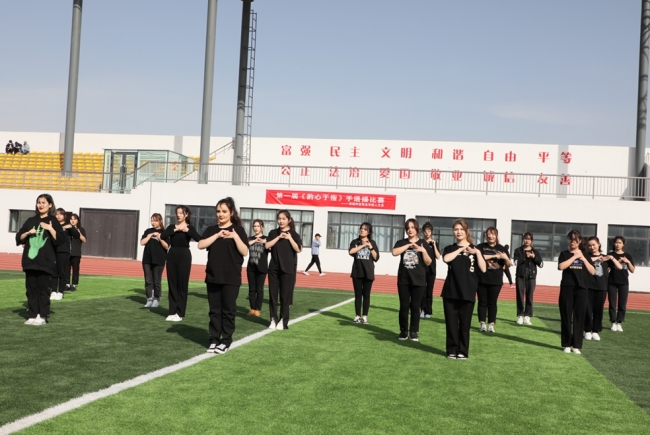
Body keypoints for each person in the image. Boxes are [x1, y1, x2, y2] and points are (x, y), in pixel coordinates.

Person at [198, 197, 249, 354]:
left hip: (231, 278)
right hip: (213, 276)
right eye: (218, 211)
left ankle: (226, 340)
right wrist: (217, 235)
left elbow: (245, 251)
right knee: (214, 311)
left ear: (231, 212)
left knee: (228, 311)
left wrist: (234, 236)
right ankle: (214, 339)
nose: (220, 214)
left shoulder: (238, 230)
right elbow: (200, 245)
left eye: (224, 211)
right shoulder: (211, 230)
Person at [16, 194, 64, 325]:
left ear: (50, 205)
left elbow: (60, 240)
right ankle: (32, 314)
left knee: (43, 289)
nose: (40, 205)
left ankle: (42, 316)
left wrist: (50, 228)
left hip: (45, 261)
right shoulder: (30, 220)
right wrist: (28, 233)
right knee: (31, 289)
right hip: (30, 261)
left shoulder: (53, 221)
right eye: (39, 202)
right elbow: (19, 237)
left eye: (43, 202)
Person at [441, 219, 486, 359]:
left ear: (466, 231)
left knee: (465, 325)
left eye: (461, 229)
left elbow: (483, 269)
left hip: (468, 291)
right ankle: (451, 350)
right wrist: (461, 249)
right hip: (451, 291)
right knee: (451, 324)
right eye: (456, 229)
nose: (459, 232)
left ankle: (463, 351)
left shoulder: (475, 249)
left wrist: (477, 253)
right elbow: (446, 259)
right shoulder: (450, 248)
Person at [391, 219, 433, 341]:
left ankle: (413, 331)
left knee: (415, 307)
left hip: (419, 280)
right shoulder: (401, 242)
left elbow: (428, 262)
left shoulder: (423, 243)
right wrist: (408, 246)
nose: (410, 230)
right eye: (408, 228)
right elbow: (394, 252)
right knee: (404, 306)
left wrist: (423, 250)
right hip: (404, 279)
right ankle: (403, 331)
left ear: (417, 229)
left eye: (412, 227)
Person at [160, 205, 201, 322]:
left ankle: (180, 312)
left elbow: (199, 239)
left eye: (181, 213)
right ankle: (172, 311)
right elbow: (163, 236)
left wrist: (187, 231)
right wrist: (175, 230)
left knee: (182, 285)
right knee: (172, 283)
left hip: (184, 255)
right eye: (177, 213)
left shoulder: (190, 227)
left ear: (186, 214)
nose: (178, 215)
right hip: (172, 255)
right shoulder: (171, 227)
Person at [558, 230, 595, 354]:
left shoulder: (585, 255)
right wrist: (574, 256)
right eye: (570, 239)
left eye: (574, 240)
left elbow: (592, 271)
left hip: (581, 289)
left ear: (579, 241)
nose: (572, 242)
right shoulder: (564, 254)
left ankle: (577, 345)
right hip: (567, 287)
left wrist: (583, 258)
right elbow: (561, 267)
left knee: (579, 317)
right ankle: (566, 344)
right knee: (566, 316)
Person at [265, 210, 303, 330]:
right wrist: (278, 237)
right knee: (273, 295)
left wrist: (289, 238)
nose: (281, 221)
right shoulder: (273, 233)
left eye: (283, 219)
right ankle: (273, 319)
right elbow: (267, 245)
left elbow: (298, 249)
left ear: (289, 220)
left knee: (285, 296)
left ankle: (283, 320)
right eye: (279, 218)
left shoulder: (294, 234)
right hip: (274, 268)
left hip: (288, 269)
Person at [476, 227, 512, 333]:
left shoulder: (502, 248)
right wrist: (495, 255)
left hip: (496, 280)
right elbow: (478, 257)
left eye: (492, 234)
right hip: (481, 279)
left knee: (492, 303)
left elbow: (509, 264)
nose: (490, 236)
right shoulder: (480, 247)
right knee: (482, 302)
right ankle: (482, 324)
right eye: (488, 234)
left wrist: (505, 257)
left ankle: (491, 324)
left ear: (496, 235)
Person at [585, 236, 620, 341]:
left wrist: (611, 258)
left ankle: (595, 331)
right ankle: (587, 330)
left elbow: (619, 267)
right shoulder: (586, 256)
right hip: (588, 286)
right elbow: (585, 261)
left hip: (601, 287)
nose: (592, 247)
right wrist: (596, 258)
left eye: (594, 245)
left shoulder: (606, 258)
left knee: (598, 310)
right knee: (587, 310)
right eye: (589, 245)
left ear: (598, 244)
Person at [349, 222, 379, 324]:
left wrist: (370, 247)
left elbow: (376, 257)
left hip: (368, 273)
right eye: (361, 228)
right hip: (357, 272)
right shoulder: (355, 242)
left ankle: (365, 316)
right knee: (358, 295)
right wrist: (362, 246)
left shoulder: (372, 242)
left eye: (365, 229)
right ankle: (357, 316)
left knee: (366, 295)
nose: (362, 230)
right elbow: (351, 252)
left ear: (369, 232)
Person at [513, 233, 543, 325]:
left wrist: (534, 257)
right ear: (523, 239)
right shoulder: (518, 250)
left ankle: (527, 316)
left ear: (532, 241)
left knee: (530, 296)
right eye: (525, 239)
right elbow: (515, 262)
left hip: (531, 276)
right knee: (520, 296)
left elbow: (541, 264)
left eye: (529, 239)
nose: (527, 241)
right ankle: (520, 315)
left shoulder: (535, 251)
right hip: (520, 275)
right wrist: (525, 257)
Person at [140, 213, 169, 308]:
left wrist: (159, 237)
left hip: (159, 259)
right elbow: (142, 242)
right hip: (147, 259)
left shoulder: (164, 232)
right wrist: (149, 236)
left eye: (155, 221)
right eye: (152, 220)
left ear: (160, 221)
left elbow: (166, 246)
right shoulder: (148, 231)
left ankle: (156, 298)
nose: (153, 222)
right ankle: (149, 299)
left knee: (157, 281)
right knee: (148, 280)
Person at [607, 236, 635, 332]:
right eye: (616, 242)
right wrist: (617, 262)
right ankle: (613, 322)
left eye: (619, 243)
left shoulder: (628, 255)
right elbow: (607, 268)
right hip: (612, 282)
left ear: (623, 244)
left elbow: (632, 270)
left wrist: (628, 262)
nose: (617, 244)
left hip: (624, 282)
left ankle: (619, 322)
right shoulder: (610, 255)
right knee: (612, 303)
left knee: (622, 304)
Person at [246, 219, 269, 317]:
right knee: (252, 289)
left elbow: (271, 247)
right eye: (254, 226)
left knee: (259, 289)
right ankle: (252, 309)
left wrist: (264, 241)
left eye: (258, 226)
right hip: (251, 267)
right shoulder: (250, 238)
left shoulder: (266, 239)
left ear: (262, 227)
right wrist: (255, 240)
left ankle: (258, 309)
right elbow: (245, 245)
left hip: (262, 268)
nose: (256, 228)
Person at [420, 222, 441, 319]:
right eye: (425, 231)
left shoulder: (434, 243)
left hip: (431, 270)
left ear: (432, 232)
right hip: (422, 270)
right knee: (422, 291)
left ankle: (428, 311)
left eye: (429, 231)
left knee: (429, 291)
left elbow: (438, 256)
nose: (427, 233)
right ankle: (422, 310)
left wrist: (434, 245)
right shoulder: (421, 242)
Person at [50, 208, 71, 300]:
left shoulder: (68, 226)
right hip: (53, 251)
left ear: (64, 216)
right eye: (56, 214)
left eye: (60, 214)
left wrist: (70, 227)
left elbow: (76, 235)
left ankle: (61, 292)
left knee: (62, 272)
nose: (58, 216)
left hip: (63, 251)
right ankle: (53, 291)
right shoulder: (52, 226)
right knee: (54, 272)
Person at [67, 213, 87, 291]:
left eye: (74, 219)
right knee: (66, 269)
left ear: (77, 220)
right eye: (71, 219)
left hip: (76, 253)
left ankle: (74, 284)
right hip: (67, 252)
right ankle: (67, 284)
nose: (73, 221)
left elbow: (84, 240)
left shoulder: (81, 229)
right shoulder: (67, 229)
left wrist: (79, 233)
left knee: (75, 269)